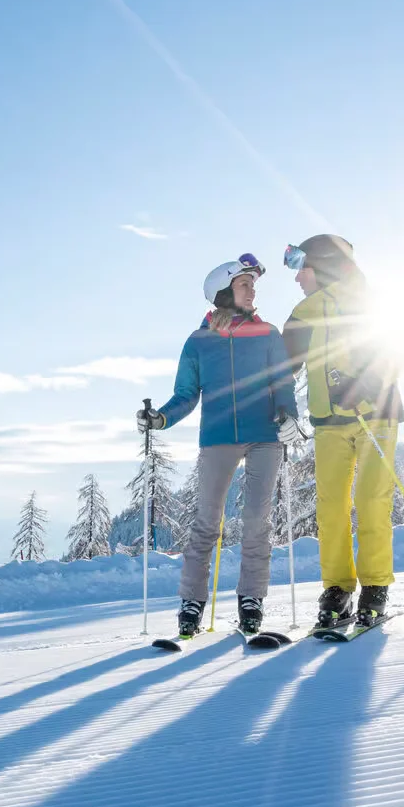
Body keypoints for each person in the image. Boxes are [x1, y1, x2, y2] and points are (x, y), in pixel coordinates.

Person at [136, 254, 299, 637]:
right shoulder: (198, 342)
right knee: (207, 523)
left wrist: (289, 416)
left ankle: (251, 600)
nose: (253, 289)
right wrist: (160, 418)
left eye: (252, 284)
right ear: (224, 292)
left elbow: (283, 385)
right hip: (219, 437)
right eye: (245, 284)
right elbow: (186, 394)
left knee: (258, 522)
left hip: (265, 437)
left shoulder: (268, 333)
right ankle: (191, 603)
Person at [281, 234, 404, 630]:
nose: (298, 277)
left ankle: (374, 587)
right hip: (328, 421)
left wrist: (365, 384)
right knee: (330, 507)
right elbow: (283, 367)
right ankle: (337, 589)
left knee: (371, 501)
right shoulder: (304, 312)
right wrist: (280, 405)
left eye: (304, 267)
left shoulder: (370, 304)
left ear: (326, 265)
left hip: (375, 416)